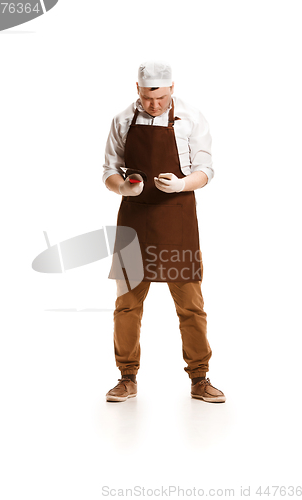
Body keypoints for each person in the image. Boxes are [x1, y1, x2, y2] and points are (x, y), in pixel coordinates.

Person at [102, 61, 225, 403]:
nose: (154, 105)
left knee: (191, 305)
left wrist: (183, 184)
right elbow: (109, 171)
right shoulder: (122, 120)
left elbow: (206, 169)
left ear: (172, 88)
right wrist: (124, 189)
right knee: (126, 304)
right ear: (137, 89)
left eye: (160, 97)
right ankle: (126, 377)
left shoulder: (191, 117)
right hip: (134, 220)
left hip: (178, 215)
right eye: (147, 98)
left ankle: (200, 378)